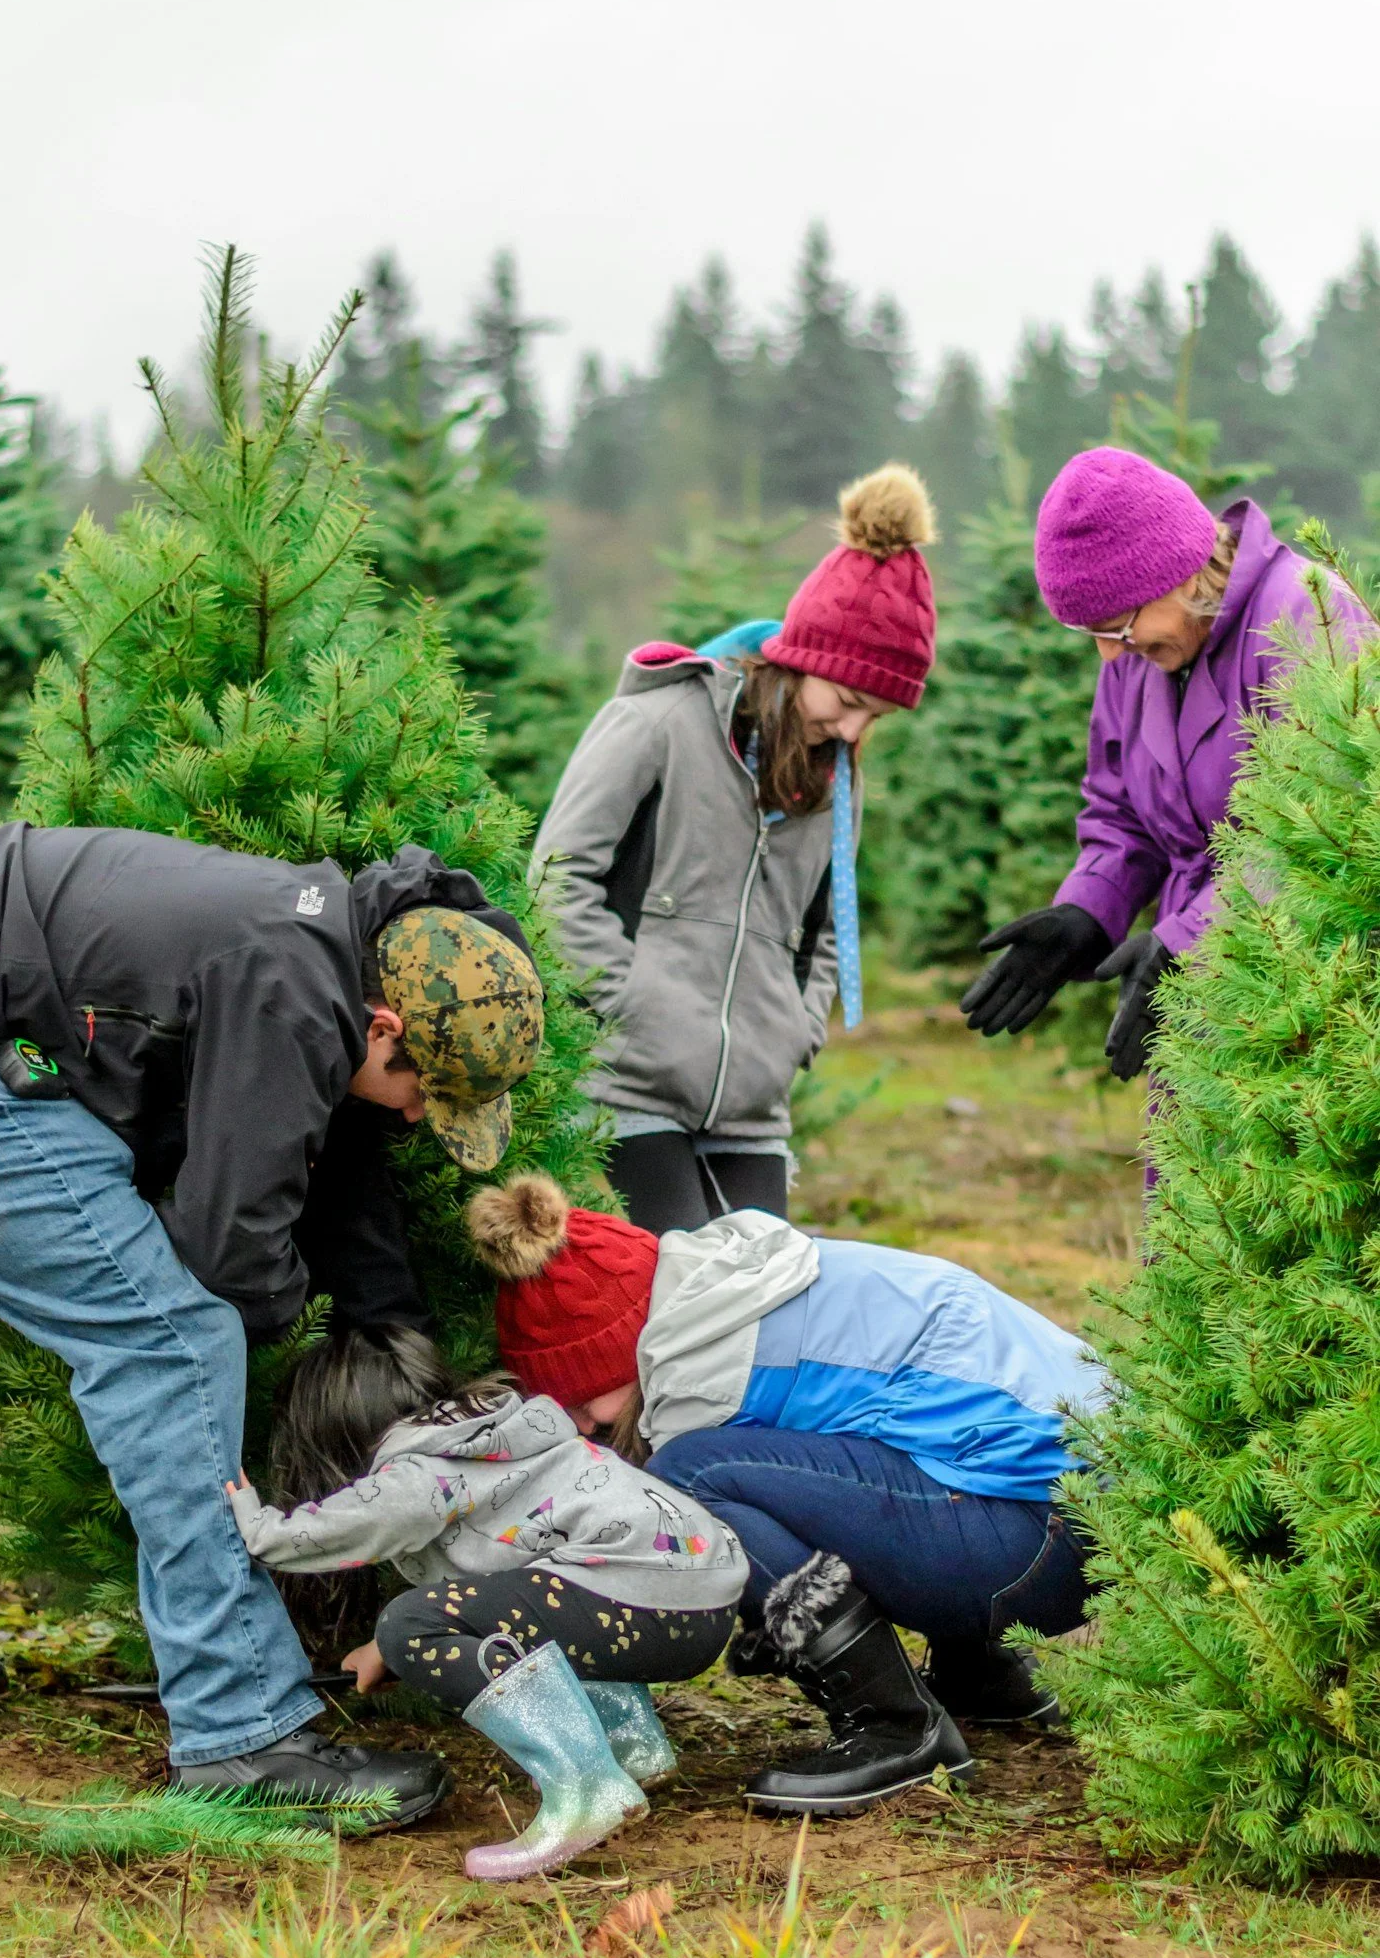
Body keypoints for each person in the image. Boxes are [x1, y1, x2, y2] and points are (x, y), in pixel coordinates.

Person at [0, 820, 543, 1828]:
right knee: (168, 1338)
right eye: (423, 1090)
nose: (417, 1115)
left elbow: (279, 1152)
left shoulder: (314, 936)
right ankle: (241, 1725)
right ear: (382, 1027)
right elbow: (229, 1246)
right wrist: (293, 1342)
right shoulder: (295, 990)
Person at [466, 1175, 1101, 1817]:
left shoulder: (703, 1375)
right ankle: (981, 1677)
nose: (578, 1424)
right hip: (1084, 1518)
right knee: (891, 1437)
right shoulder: (741, 1284)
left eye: (574, 1399)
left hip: (1036, 1549)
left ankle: (898, 1728)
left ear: (613, 1355)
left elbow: (684, 1538)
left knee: (684, 1477)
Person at [530, 466, 936, 1234]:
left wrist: (793, 1032)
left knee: (760, 1311)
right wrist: (623, 1007)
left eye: (874, 718)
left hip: (751, 1106)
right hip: (628, 1087)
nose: (853, 732)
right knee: (676, 1303)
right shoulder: (660, 722)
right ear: (802, 660)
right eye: (848, 702)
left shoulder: (836, 782)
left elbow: (820, 937)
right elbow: (558, 877)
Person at [225, 1326, 746, 1879]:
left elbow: (334, 1530)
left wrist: (256, 1524)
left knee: (409, 1624)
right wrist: (383, 1646)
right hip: (702, 1600)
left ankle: (587, 1787)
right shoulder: (497, 1433)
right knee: (543, 1596)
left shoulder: (417, 1468)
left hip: (636, 1600)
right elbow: (510, 1587)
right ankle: (628, 1746)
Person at [961, 446, 1374, 1077]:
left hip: (1317, 989)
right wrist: (1089, 909)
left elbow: (1325, 820)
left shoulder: (1306, 614)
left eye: (1117, 626)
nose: (1108, 654)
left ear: (1178, 572)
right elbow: (1121, 811)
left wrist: (1189, 942)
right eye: (1090, 633)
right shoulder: (1138, 656)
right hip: (1196, 993)